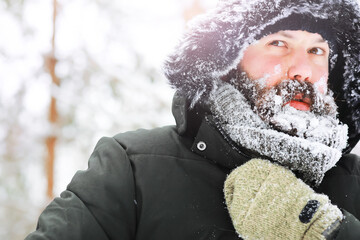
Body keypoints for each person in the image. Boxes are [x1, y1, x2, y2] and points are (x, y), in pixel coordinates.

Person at [26, 0, 360, 239]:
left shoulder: (355, 182)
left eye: (317, 51)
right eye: (279, 43)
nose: (303, 70)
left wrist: (326, 230)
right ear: (229, 61)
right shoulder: (133, 168)